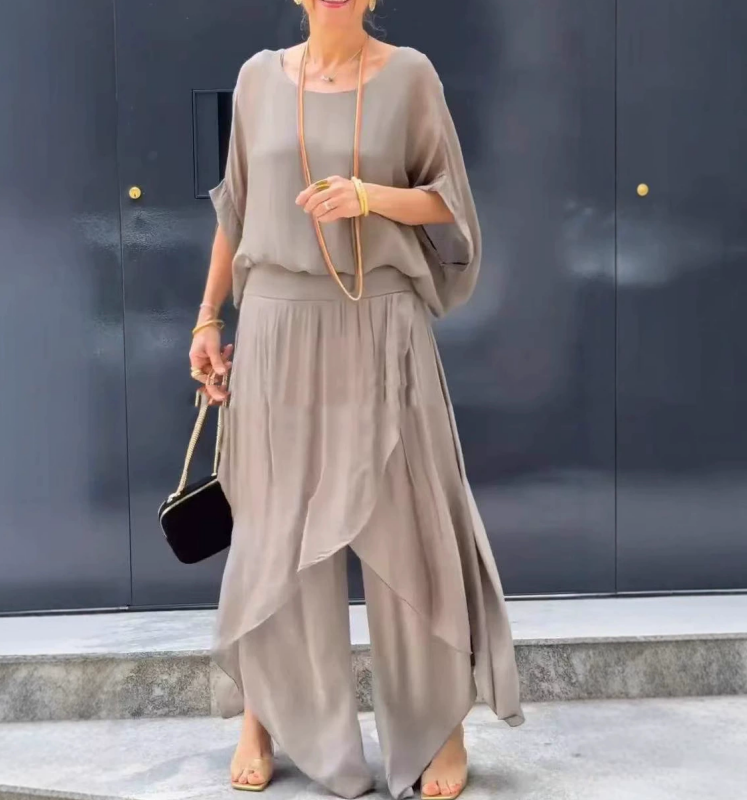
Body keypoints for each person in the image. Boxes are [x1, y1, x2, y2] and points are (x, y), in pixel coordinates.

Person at [188, 1, 524, 798]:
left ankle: (437, 724)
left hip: (381, 322)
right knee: (274, 531)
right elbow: (236, 209)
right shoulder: (257, 79)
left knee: (413, 521)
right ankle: (262, 718)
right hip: (276, 323)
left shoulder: (409, 76)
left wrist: (369, 197)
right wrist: (207, 317)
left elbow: (448, 202)